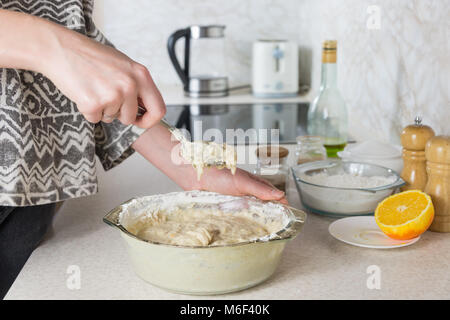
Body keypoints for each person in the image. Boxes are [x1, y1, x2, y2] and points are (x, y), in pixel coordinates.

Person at [0, 1, 286, 298]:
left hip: (33, 193)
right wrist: (56, 47)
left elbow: (61, 36)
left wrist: (193, 171)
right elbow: (56, 42)